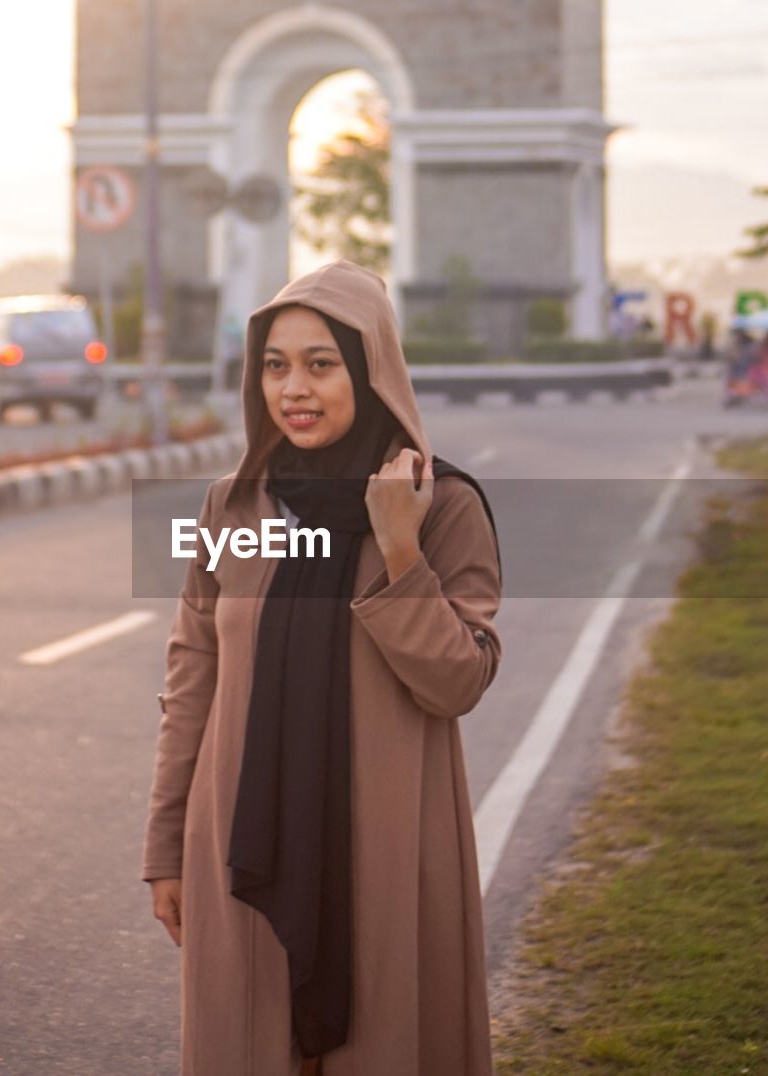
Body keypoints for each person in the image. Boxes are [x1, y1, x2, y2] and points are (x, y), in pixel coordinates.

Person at [142, 259, 503, 1075]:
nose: (293, 389)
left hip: (383, 849)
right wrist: (166, 846)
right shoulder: (237, 507)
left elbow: (457, 682)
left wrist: (401, 549)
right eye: (275, 365)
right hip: (245, 844)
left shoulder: (440, 506)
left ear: (371, 370)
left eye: (320, 364)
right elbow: (192, 681)